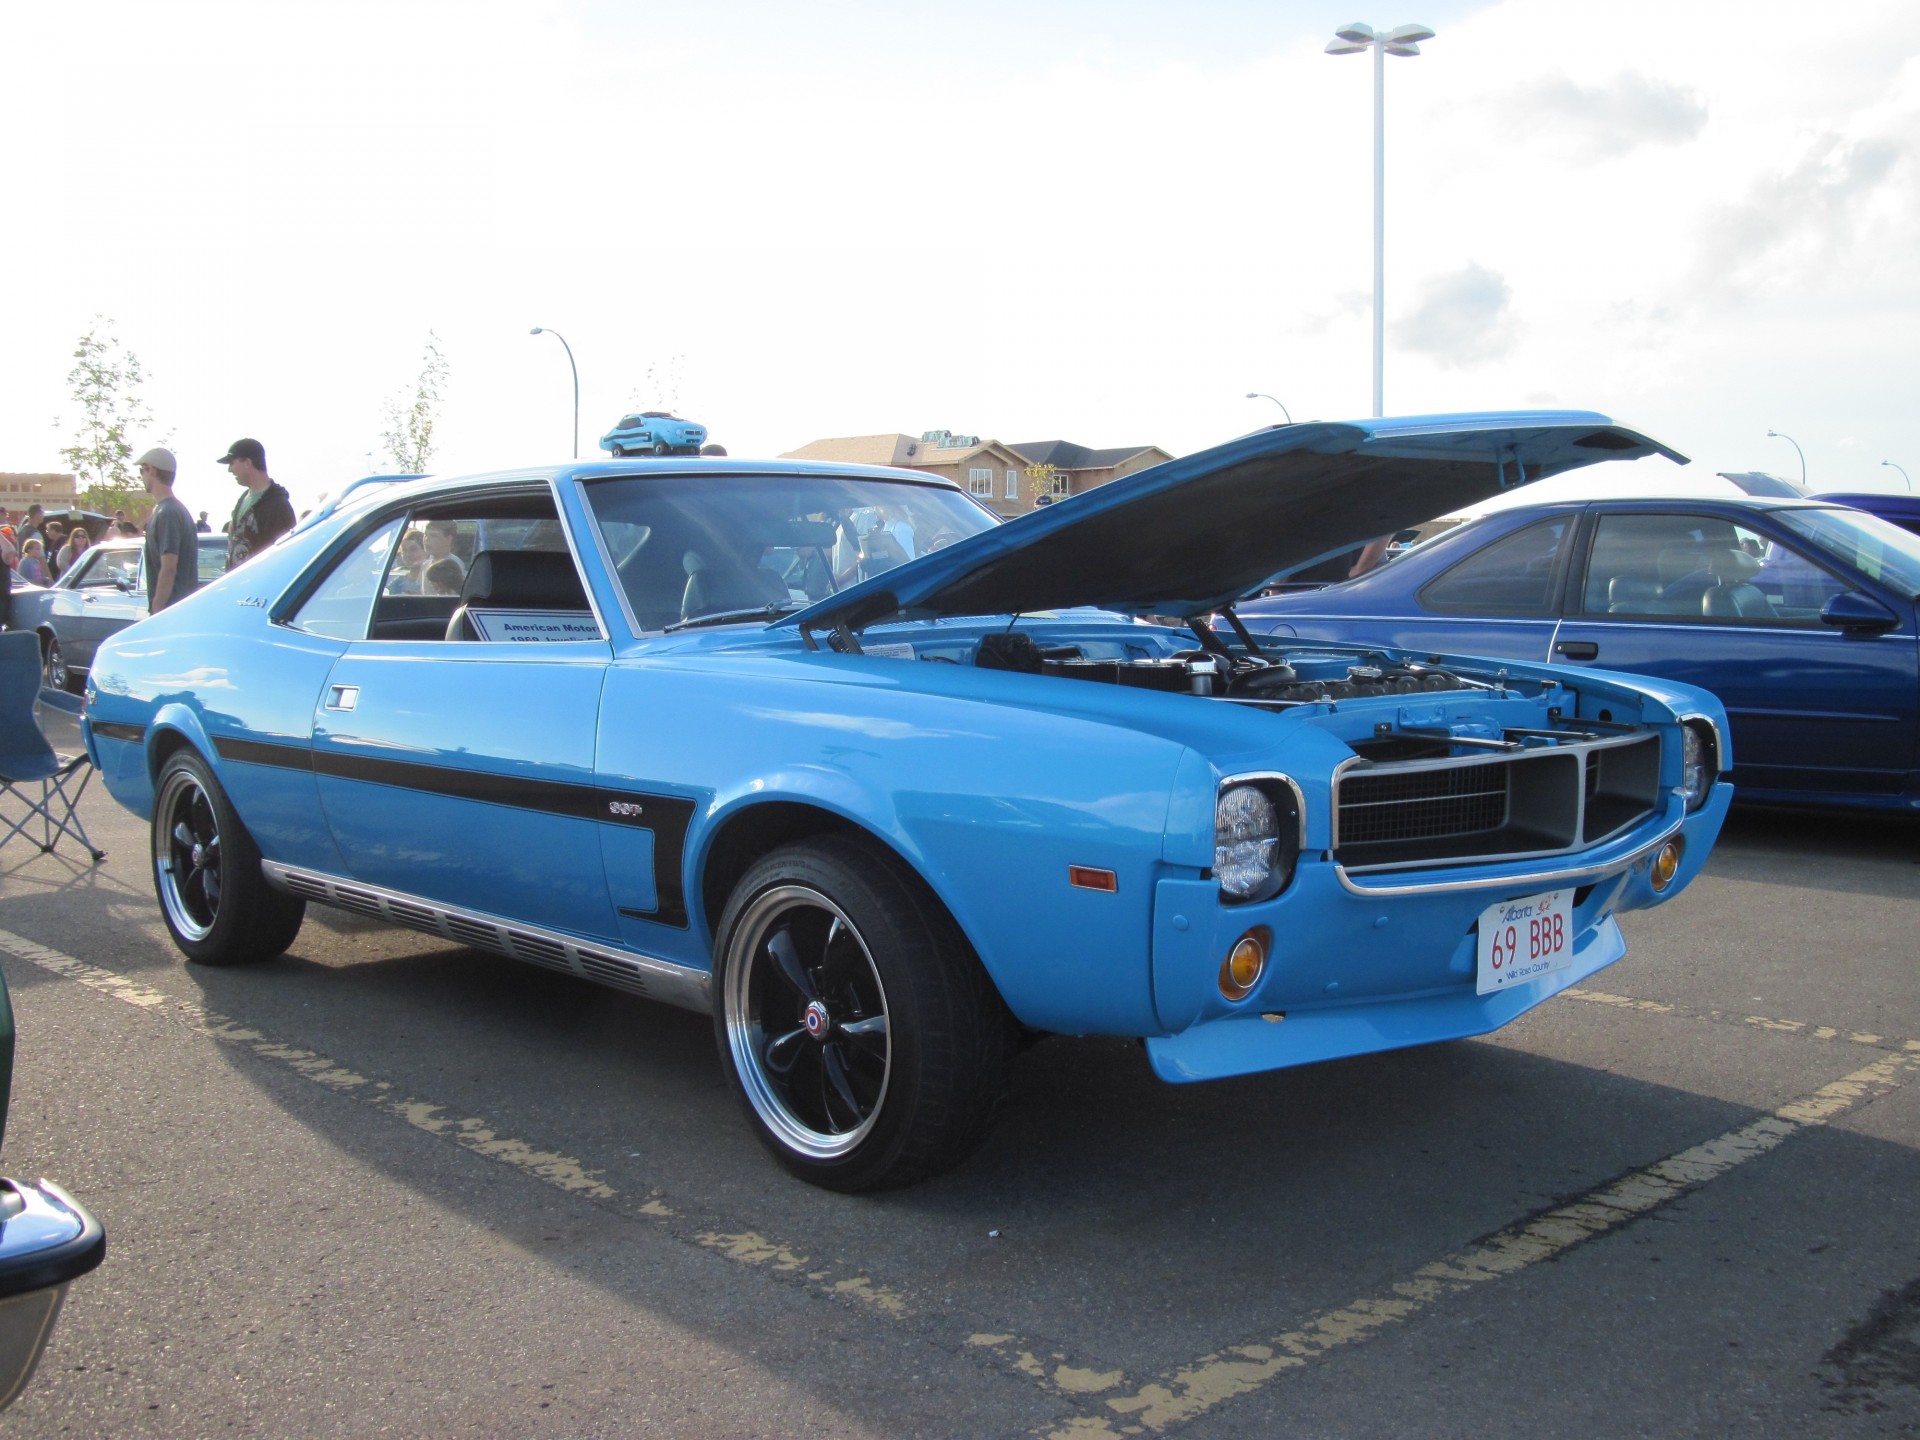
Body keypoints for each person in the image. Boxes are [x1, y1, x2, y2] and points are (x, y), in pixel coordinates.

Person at [139, 447, 199, 613]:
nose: (141, 477)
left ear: (151, 470)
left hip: (173, 611)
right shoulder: (174, 510)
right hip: (180, 610)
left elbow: (169, 568)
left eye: (141, 471)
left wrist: (157, 610)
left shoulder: (168, 513)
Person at [220, 437, 296, 567]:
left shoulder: (278, 505)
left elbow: (287, 557)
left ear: (248, 463)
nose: (229, 470)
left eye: (232, 463)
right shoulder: (242, 500)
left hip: (264, 584)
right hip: (239, 584)